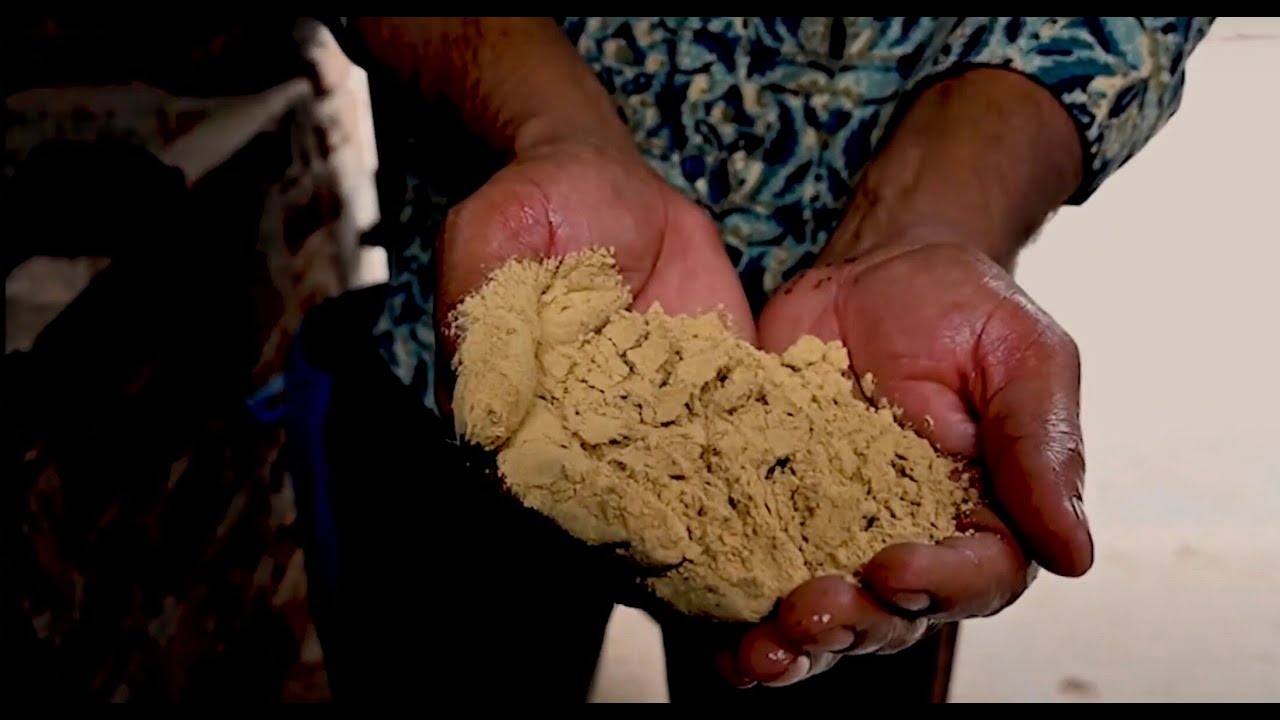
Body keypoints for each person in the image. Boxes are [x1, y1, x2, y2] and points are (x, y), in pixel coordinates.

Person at [291, 17, 1215, 702]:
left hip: (891, 393)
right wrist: (557, 128)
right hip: (494, 341)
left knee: (822, 634)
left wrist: (932, 214)